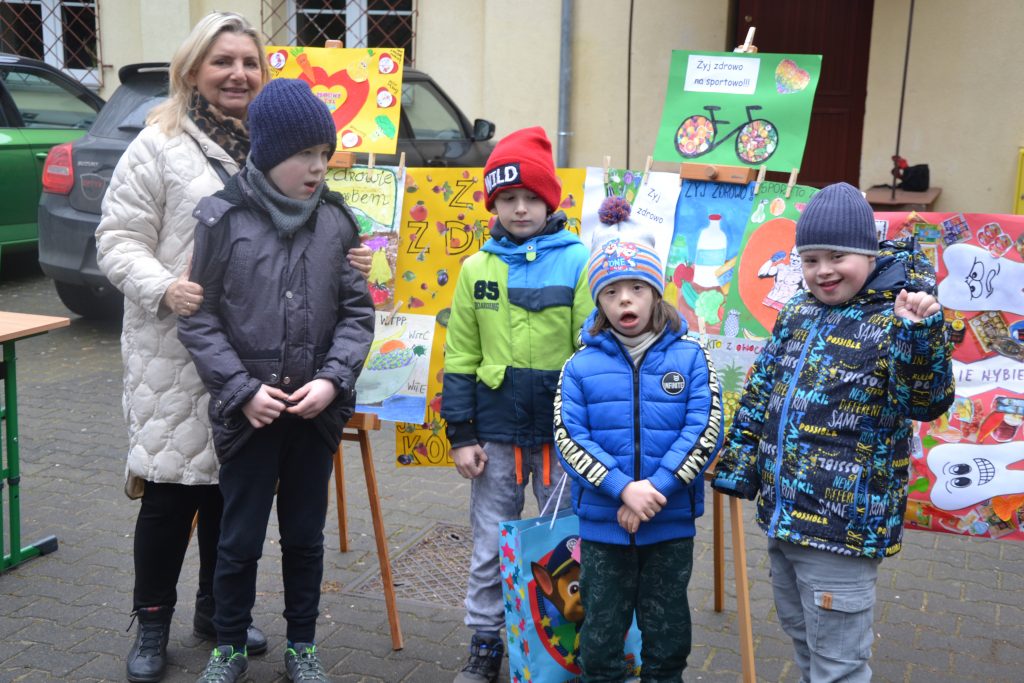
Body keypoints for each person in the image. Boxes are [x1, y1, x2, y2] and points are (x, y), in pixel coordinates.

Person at [94, 12, 370, 682]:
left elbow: (331, 270)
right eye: (223, 61)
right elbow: (116, 239)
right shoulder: (158, 144)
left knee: (227, 503)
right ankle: (153, 621)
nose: (238, 73)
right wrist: (167, 288)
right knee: (168, 496)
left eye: (250, 61)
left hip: (269, 375)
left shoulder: (282, 143)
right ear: (192, 69)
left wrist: (352, 263)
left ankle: (221, 615)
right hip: (179, 353)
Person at [712, 182, 955, 683]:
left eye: (838, 256)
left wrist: (918, 334)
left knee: (838, 665)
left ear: (869, 253)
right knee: (805, 640)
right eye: (810, 259)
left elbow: (925, 400)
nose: (823, 270)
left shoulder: (901, 315)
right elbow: (762, 390)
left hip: (840, 531)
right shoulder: (799, 312)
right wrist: (737, 466)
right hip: (783, 519)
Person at [177, 78, 374, 683]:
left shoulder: (338, 224)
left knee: (305, 540)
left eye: (324, 154)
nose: (317, 167)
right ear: (266, 153)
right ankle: (229, 645)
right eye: (303, 155)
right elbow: (200, 315)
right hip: (249, 416)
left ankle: (302, 646)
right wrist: (241, 391)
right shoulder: (222, 218)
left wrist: (333, 383)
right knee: (236, 542)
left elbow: (357, 314)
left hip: (314, 419)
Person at [441, 126, 593, 683]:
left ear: (550, 200)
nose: (521, 208)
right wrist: (461, 434)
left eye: (532, 197)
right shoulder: (476, 269)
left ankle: (570, 640)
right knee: (490, 540)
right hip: (496, 435)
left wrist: (586, 431)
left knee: (566, 542)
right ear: (494, 203)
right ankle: (486, 643)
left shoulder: (579, 260)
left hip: (561, 437)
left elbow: (591, 352)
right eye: (508, 198)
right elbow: (460, 354)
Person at [554, 239, 722, 681]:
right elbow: (570, 437)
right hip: (604, 527)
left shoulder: (692, 356)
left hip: (668, 524)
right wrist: (623, 488)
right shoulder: (578, 367)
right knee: (600, 636)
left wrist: (655, 490)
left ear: (655, 292)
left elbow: (705, 429)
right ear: (599, 303)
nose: (624, 299)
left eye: (636, 288)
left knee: (667, 635)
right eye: (610, 292)